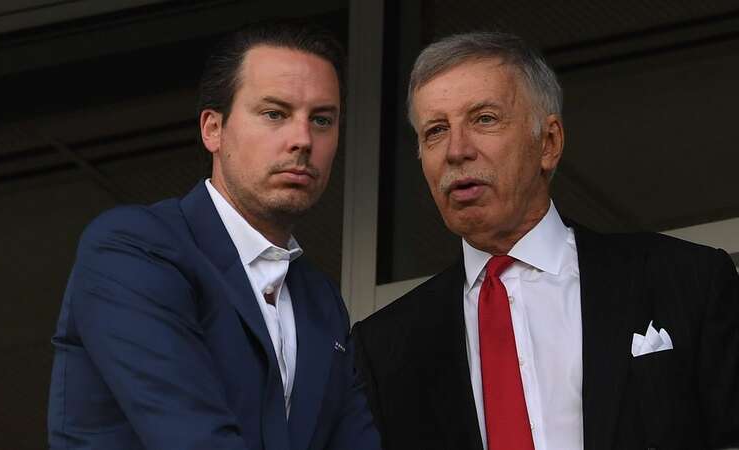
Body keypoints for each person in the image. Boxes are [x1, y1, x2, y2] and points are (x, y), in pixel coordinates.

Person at [352, 31, 739, 450]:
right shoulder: (384, 348)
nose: (456, 150)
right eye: (436, 131)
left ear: (549, 143)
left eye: (484, 119)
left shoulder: (687, 281)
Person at [48, 21, 380, 450]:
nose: (302, 139)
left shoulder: (320, 300)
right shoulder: (134, 249)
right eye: (275, 114)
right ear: (213, 129)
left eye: (321, 119)